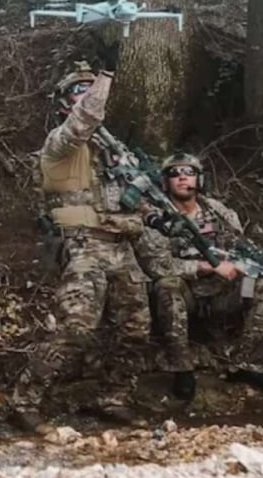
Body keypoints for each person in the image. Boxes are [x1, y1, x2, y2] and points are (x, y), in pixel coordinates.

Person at [8, 61, 156, 434]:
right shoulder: (60, 142)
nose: (88, 94)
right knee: (75, 328)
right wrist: (105, 76)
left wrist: (149, 210)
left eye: (91, 88)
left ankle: (112, 397)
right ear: (63, 104)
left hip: (122, 248)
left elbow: (136, 195)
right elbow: (84, 119)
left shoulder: (114, 150)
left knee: (135, 330)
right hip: (83, 246)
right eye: (79, 90)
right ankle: (24, 402)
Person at [136, 152, 263, 400]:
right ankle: (182, 369)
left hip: (224, 295)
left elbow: (242, 247)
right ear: (165, 181)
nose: (182, 178)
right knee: (167, 285)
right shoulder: (157, 219)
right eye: (175, 173)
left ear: (199, 179)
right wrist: (205, 267)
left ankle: (247, 363)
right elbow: (156, 266)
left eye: (189, 172)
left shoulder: (218, 212)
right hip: (186, 296)